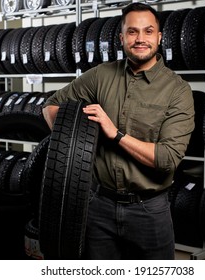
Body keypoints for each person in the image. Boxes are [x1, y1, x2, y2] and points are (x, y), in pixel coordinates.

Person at [42, 2, 195, 260]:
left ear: (159, 37)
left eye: (148, 32)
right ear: (122, 37)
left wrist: (114, 134)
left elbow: (167, 159)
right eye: (133, 32)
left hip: (148, 210)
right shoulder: (101, 76)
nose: (140, 39)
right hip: (98, 206)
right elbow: (51, 107)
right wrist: (75, 141)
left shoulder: (177, 91)